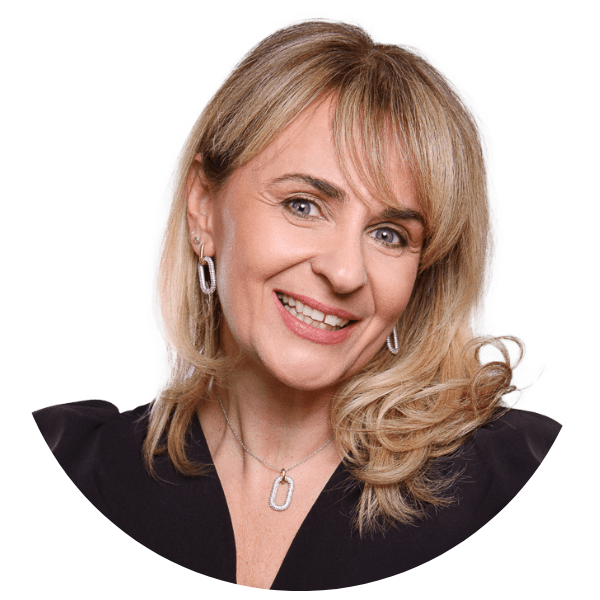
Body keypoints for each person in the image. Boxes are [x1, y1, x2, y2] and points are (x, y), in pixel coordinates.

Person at [32, 16, 561, 590]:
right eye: (303, 205)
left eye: (389, 234)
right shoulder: (71, 459)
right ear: (203, 207)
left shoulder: (517, 474)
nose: (345, 271)